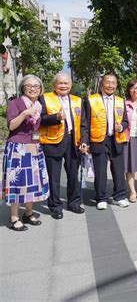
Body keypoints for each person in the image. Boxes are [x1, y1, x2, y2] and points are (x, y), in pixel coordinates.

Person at [2, 75, 49, 231]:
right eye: (29, 85)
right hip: (17, 148)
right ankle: (14, 217)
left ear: (40, 89)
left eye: (36, 86)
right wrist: (24, 113)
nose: (33, 88)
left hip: (34, 147)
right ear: (23, 87)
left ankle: (28, 213)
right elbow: (11, 126)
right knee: (16, 182)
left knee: (33, 182)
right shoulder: (15, 103)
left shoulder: (39, 106)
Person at [80, 73, 129, 210]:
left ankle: (120, 195)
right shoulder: (91, 100)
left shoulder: (120, 100)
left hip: (116, 139)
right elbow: (85, 123)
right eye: (107, 82)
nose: (110, 85)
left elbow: (125, 120)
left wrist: (122, 127)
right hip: (98, 139)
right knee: (100, 170)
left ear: (116, 85)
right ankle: (101, 197)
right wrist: (85, 141)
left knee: (118, 170)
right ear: (102, 84)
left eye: (113, 83)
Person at [39, 72, 84, 219]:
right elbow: (40, 119)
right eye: (60, 83)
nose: (63, 86)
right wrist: (55, 118)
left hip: (73, 141)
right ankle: (55, 206)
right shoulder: (45, 98)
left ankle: (74, 203)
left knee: (73, 174)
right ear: (54, 85)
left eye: (66, 83)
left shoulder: (78, 100)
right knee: (54, 176)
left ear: (71, 85)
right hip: (53, 141)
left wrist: (84, 141)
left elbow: (84, 124)